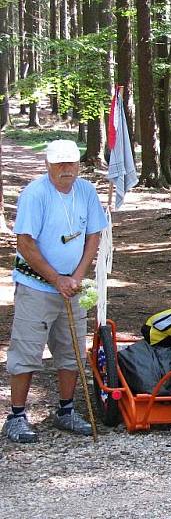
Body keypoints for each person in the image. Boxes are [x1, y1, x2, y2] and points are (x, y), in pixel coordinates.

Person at [4, 140, 108, 443]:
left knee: (71, 348)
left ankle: (66, 410)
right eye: (59, 164)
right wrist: (55, 279)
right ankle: (17, 416)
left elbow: (93, 235)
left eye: (71, 163)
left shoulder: (86, 191)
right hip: (37, 286)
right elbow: (25, 243)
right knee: (27, 349)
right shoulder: (35, 194)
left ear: (78, 164)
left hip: (71, 286)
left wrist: (76, 276)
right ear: (48, 165)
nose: (66, 169)